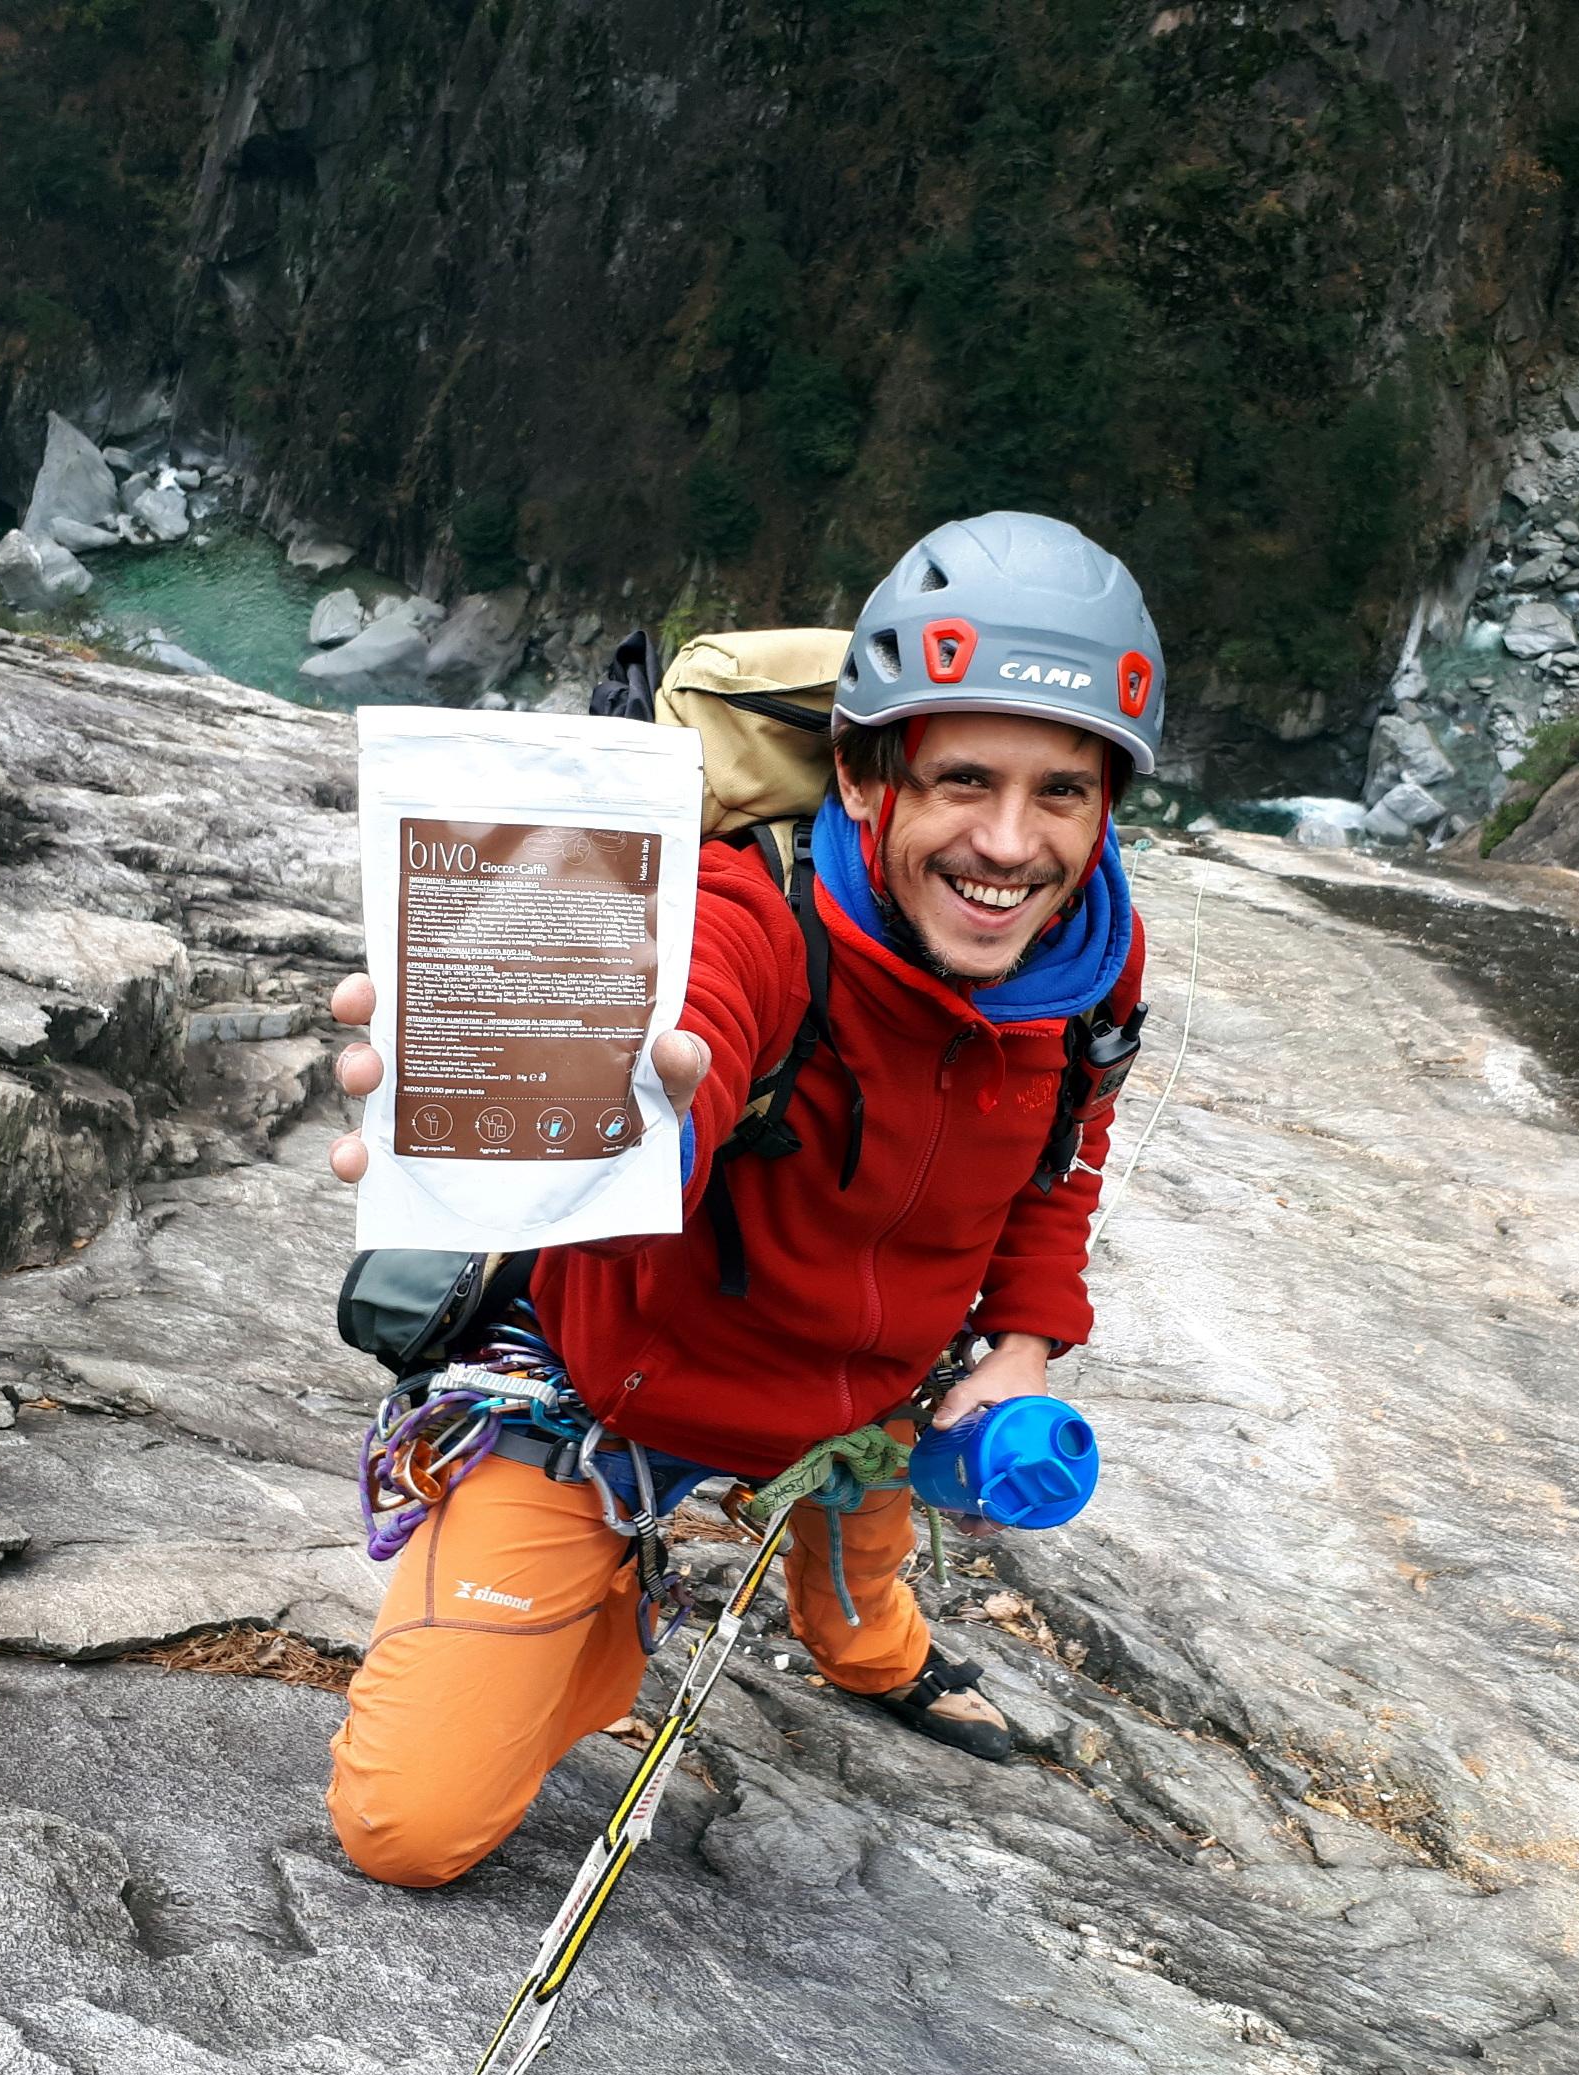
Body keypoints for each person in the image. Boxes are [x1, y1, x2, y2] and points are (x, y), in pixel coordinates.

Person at [318, 510, 1160, 1888]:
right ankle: (605, 1618)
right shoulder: (746, 912)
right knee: (407, 1826)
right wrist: (539, 1136)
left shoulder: (1091, 961)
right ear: (865, 774)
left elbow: (1064, 1157)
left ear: (1107, 804)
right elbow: (679, 1049)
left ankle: (867, 1645)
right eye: (963, 779)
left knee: (863, 1584)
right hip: (621, 1392)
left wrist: (1020, 1344)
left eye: (1061, 792)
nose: (1011, 845)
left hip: (876, 1394)